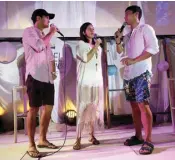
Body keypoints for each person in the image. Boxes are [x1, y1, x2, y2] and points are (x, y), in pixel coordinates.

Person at [115, 5, 159, 155]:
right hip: (128, 75)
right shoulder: (128, 33)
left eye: (127, 14)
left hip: (141, 72)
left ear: (135, 14)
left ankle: (149, 140)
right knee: (134, 106)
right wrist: (118, 41)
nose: (125, 17)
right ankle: (138, 136)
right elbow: (120, 51)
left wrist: (134, 60)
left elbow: (153, 48)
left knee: (142, 104)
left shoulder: (146, 28)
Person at [22, 9, 59, 158]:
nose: (49, 20)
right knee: (34, 109)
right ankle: (31, 144)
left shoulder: (45, 36)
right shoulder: (29, 32)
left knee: (48, 108)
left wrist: (54, 72)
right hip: (35, 75)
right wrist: (51, 33)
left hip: (48, 78)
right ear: (38, 18)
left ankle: (42, 139)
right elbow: (38, 46)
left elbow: (50, 57)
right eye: (47, 17)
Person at [73, 22, 104, 150]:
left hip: (96, 81)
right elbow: (86, 58)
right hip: (85, 82)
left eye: (93, 28)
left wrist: (96, 46)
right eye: (89, 29)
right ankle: (78, 138)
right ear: (83, 32)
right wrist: (96, 45)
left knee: (94, 109)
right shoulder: (81, 45)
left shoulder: (98, 47)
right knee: (82, 109)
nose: (92, 30)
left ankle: (92, 135)